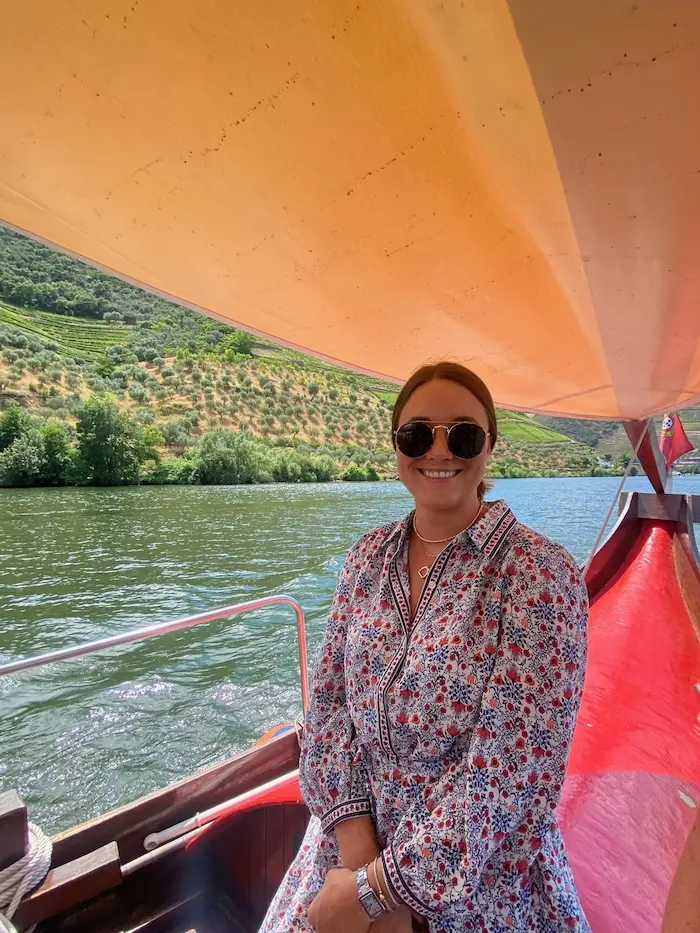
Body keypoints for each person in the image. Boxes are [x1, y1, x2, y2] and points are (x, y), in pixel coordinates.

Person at [260, 362, 590, 933]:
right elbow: (331, 711)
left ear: (490, 447)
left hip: (477, 874)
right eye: (418, 435)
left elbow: (512, 771)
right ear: (397, 446)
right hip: (350, 847)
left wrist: (384, 892)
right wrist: (360, 865)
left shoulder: (538, 573)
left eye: (462, 434)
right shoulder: (367, 557)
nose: (439, 451)